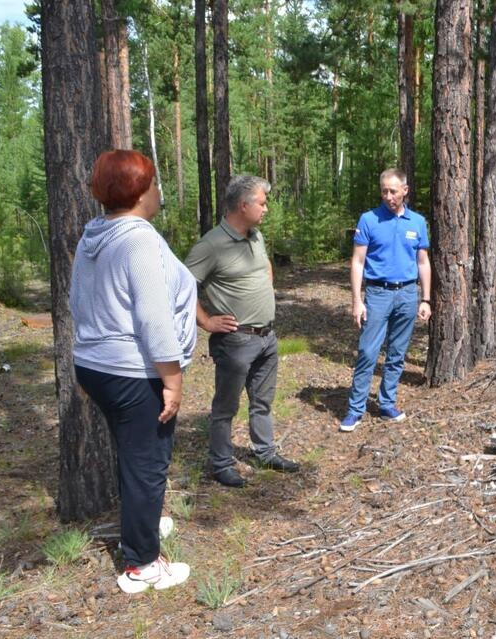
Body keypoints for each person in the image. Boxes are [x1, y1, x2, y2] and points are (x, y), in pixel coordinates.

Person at [70, 150, 195, 594]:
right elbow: (153, 317)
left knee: (135, 454)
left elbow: (77, 302)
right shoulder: (137, 239)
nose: (160, 191)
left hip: (95, 364)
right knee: (147, 462)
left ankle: (144, 523)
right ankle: (141, 564)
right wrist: (173, 380)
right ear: (140, 193)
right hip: (130, 368)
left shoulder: (95, 234)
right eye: (156, 184)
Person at [185, 176, 300, 488]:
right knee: (226, 408)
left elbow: (265, 269)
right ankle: (221, 464)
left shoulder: (256, 236)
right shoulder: (210, 245)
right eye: (262, 203)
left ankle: (265, 452)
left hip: (267, 338)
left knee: (262, 402)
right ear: (243, 205)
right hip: (236, 341)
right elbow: (180, 287)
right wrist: (206, 321)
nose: (266, 209)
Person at [339, 168, 431, 432]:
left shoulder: (417, 222)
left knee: (397, 353)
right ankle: (355, 409)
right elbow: (357, 262)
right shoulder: (369, 220)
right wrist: (357, 300)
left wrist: (425, 299)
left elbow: (423, 262)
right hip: (377, 294)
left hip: (407, 294)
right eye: (384, 191)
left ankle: (387, 403)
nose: (388, 196)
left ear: (405, 190)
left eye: (393, 191)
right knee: (368, 352)